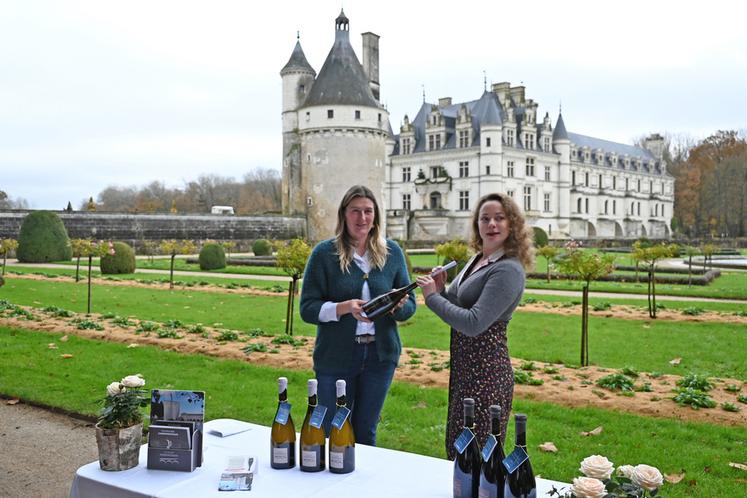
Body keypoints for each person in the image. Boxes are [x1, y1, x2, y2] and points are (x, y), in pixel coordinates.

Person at [417, 193, 534, 459]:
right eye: (485, 218)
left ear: (512, 224)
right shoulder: (477, 259)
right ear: (477, 224)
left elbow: (473, 323)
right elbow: (462, 307)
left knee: (477, 457)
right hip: (465, 371)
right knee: (459, 451)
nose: (491, 224)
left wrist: (432, 298)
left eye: (499, 218)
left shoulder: (508, 270)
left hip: (486, 375)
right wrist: (442, 290)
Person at [300, 185, 416, 446]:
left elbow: (411, 307)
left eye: (368, 211)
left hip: (380, 357)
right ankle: (330, 485)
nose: (362, 218)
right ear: (344, 214)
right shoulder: (324, 254)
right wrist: (343, 308)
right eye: (355, 211)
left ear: (376, 216)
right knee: (333, 430)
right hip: (335, 358)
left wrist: (398, 306)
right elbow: (307, 309)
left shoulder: (392, 253)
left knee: (366, 432)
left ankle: (361, 487)